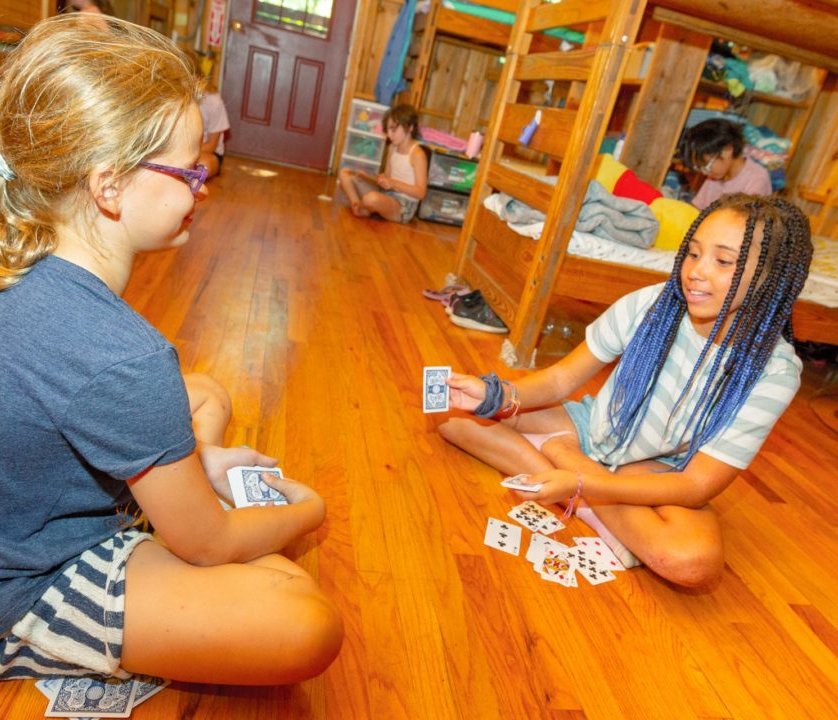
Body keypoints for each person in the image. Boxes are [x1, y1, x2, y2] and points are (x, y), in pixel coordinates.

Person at [0, 15, 342, 684]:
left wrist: (196, 469)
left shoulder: (6, 264)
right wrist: (309, 510)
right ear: (109, 185)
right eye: (188, 168)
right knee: (301, 619)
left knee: (205, 392)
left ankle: (175, 492)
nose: (204, 181)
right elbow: (209, 545)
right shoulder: (121, 355)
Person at [438, 194, 812, 588]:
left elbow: (697, 485)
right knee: (451, 414)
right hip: (592, 428)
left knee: (692, 562)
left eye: (723, 262)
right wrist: (495, 395)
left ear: (772, 278)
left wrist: (582, 479)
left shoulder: (775, 370)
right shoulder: (651, 303)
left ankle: (570, 478)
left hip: (658, 472)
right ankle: (586, 496)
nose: (696, 272)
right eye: (693, 253)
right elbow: (560, 380)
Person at [337, 103, 428, 223]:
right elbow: (387, 178)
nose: (389, 135)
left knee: (371, 199)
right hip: (388, 194)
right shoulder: (392, 147)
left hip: (404, 205)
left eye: (394, 130)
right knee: (345, 173)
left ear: (410, 127)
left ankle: (364, 207)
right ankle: (358, 205)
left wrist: (393, 183)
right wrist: (371, 177)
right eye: (388, 130)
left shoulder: (417, 154)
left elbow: (421, 193)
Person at [679, 119, 772, 210]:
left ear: (727, 151)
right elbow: (697, 208)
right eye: (699, 168)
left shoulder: (757, 178)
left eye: (706, 166)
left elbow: (744, 221)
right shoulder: (715, 176)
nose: (704, 172)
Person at [195, 54, 230, 178]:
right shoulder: (172, 98)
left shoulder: (214, 102)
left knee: (202, 166)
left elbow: (211, 146)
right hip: (181, 151)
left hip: (208, 153)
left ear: (198, 78)